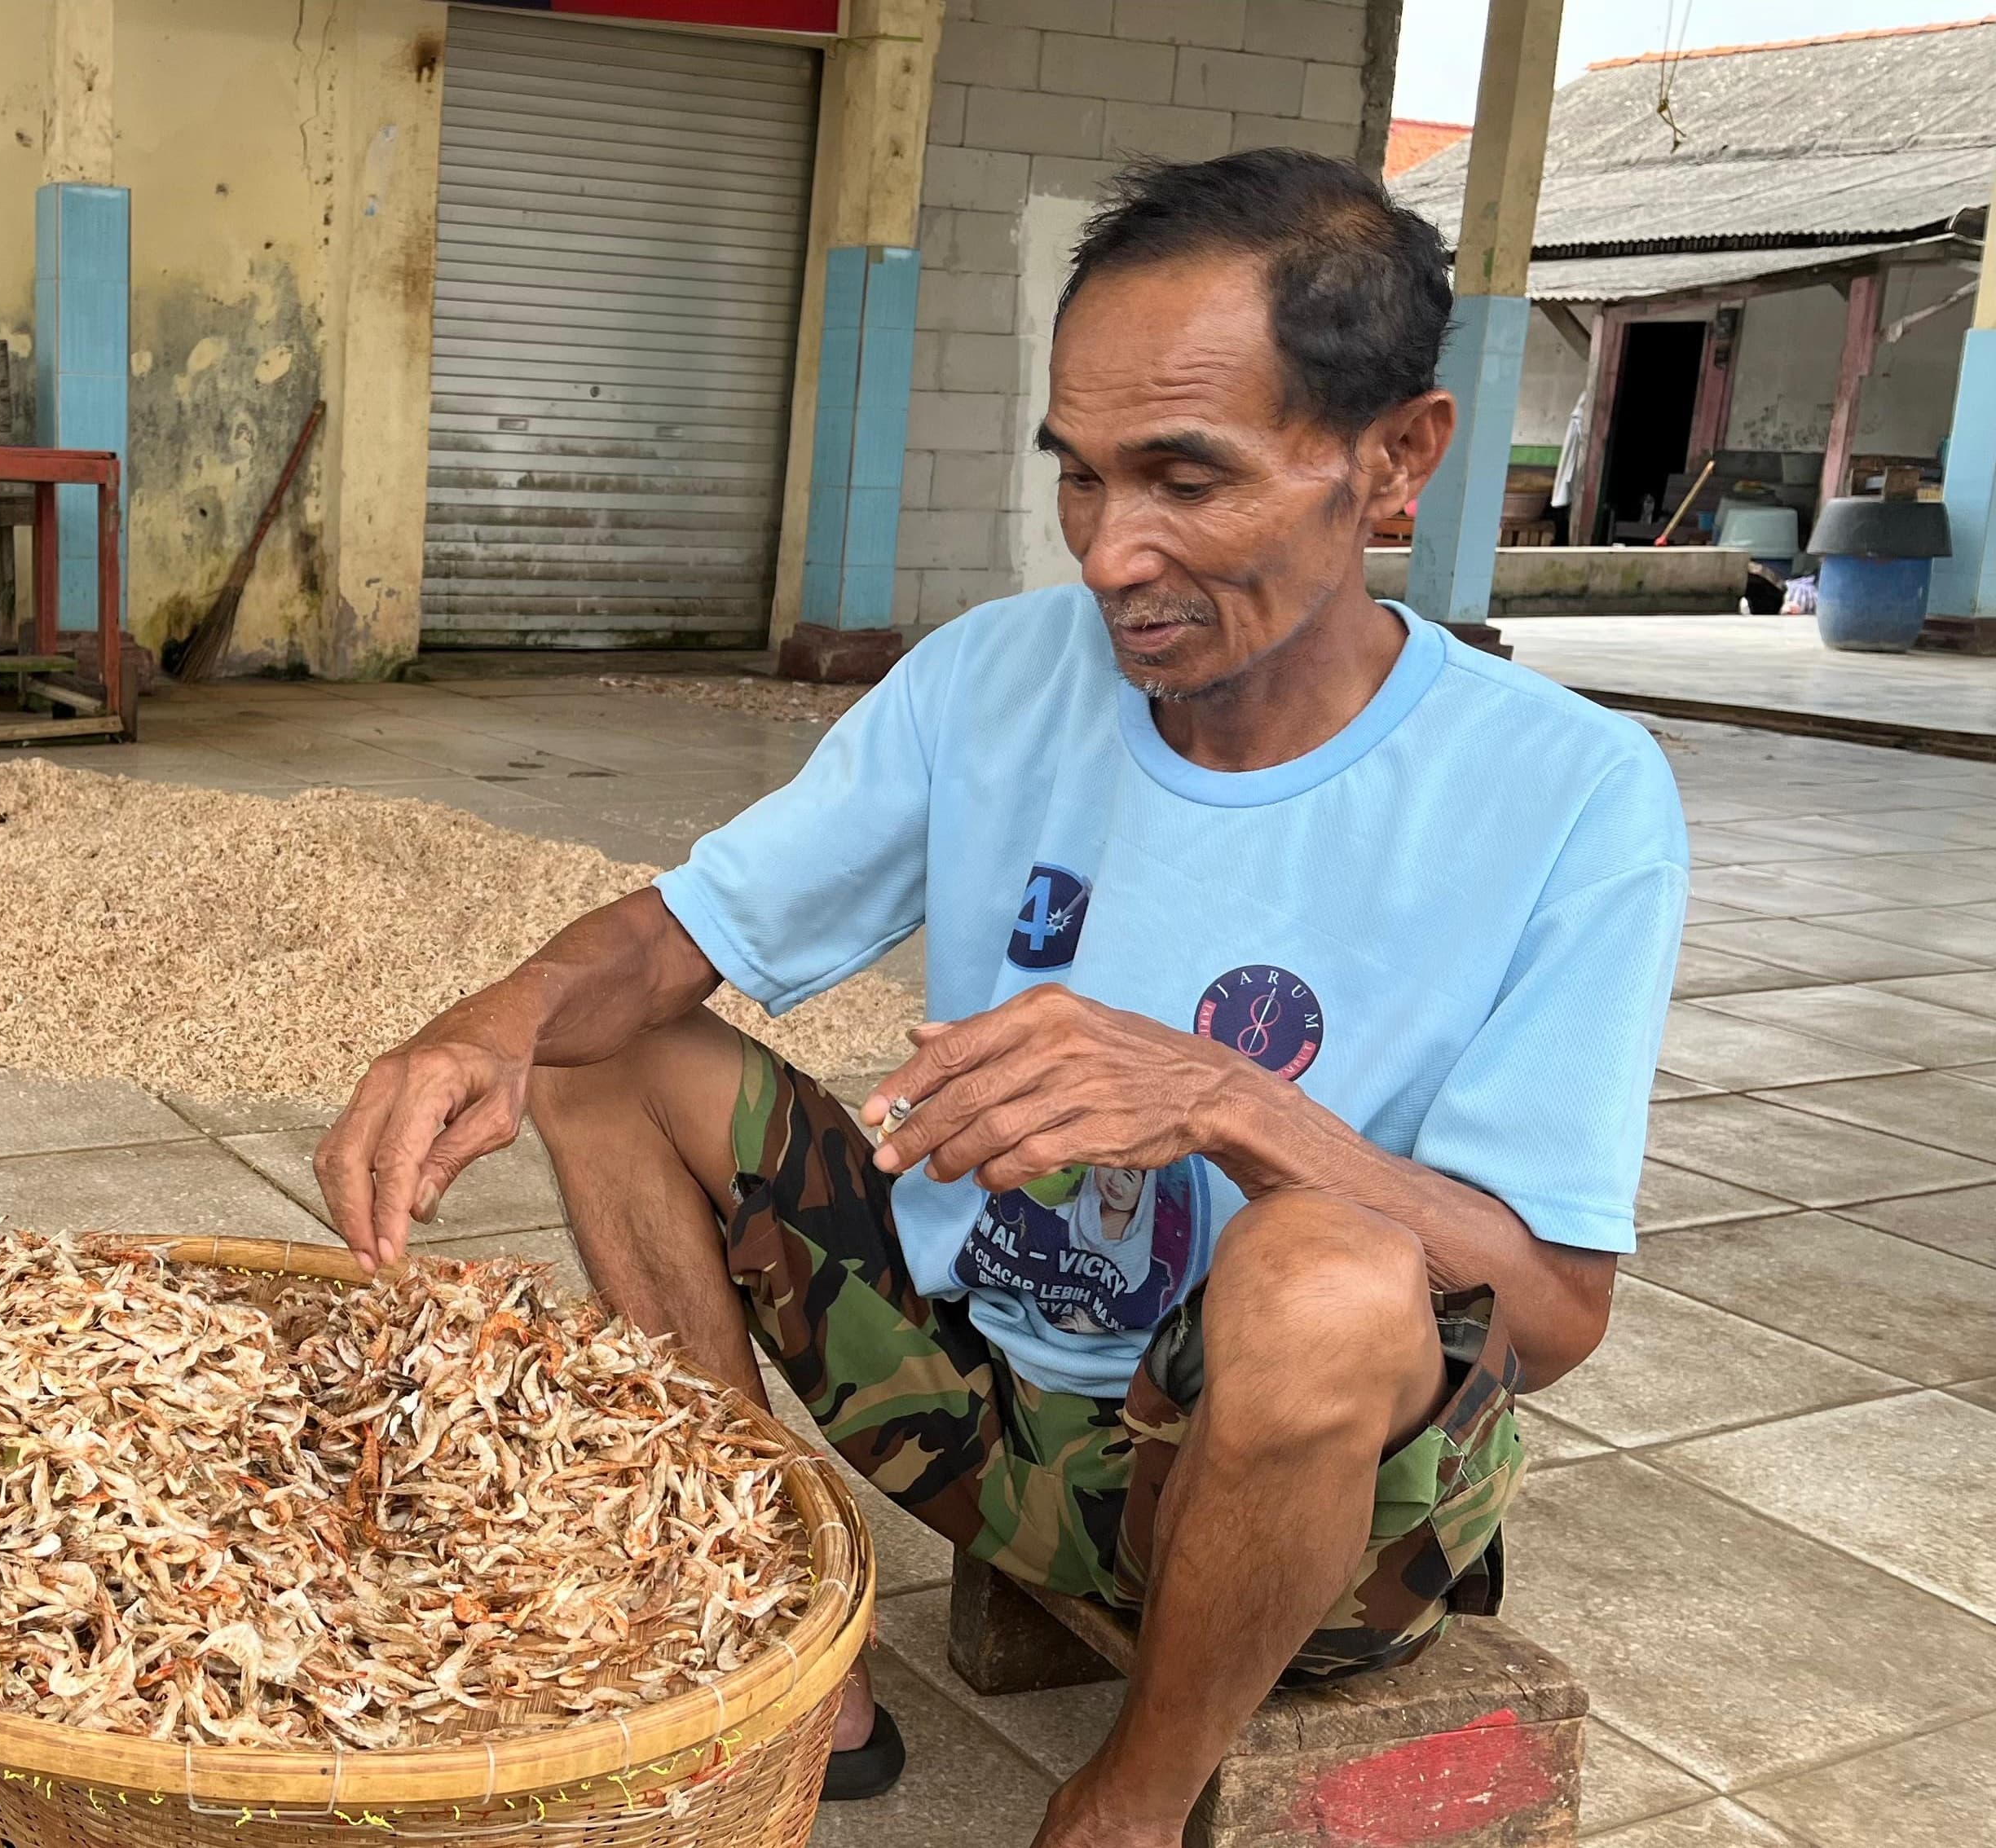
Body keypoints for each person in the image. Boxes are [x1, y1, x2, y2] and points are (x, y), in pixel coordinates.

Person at [312, 149, 1685, 1848]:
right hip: (969, 1411)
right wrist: (484, 1025)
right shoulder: (990, 679)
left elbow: (1551, 1312)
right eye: (1084, 480)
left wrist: (1234, 1109)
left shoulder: (1571, 794)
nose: (1115, 555)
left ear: (1394, 458)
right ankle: (789, 1637)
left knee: (1325, 1277)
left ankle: (1137, 1787)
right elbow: (681, 933)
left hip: (1297, 1514)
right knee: (599, 1052)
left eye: (1188, 479)